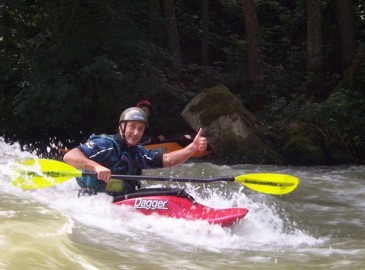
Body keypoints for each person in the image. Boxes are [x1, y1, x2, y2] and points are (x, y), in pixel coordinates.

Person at [63, 107, 208, 196]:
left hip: (124, 201)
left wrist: (192, 148)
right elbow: (70, 156)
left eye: (140, 128)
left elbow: (168, 160)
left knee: (177, 193)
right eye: (132, 126)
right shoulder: (105, 145)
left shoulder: (138, 152)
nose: (136, 132)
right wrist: (96, 167)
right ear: (122, 127)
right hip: (96, 202)